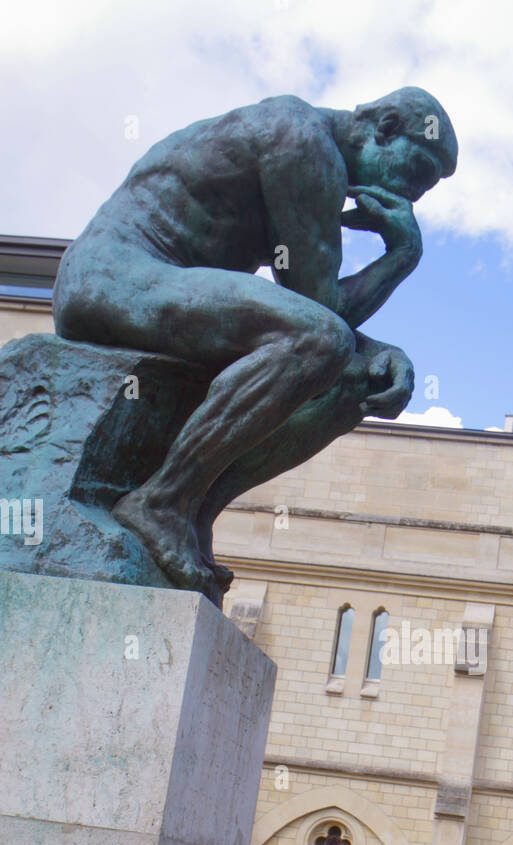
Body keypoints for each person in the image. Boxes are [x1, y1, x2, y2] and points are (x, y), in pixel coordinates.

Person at [53, 88, 457, 596]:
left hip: (165, 290)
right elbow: (321, 312)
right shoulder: (303, 141)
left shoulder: (320, 158)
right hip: (112, 275)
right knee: (324, 342)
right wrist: (402, 255)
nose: (415, 196)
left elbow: (310, 310)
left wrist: (378, 354)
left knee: (358, 380)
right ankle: (161, 502)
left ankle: (196, 508)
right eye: (418, 173)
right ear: (384, 128)